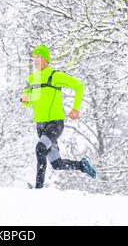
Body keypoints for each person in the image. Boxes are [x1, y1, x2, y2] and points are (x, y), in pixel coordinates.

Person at [21, 45, 96, 189]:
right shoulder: (31, 79)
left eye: (38, 57)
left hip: (55, 123)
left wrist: (75, 109)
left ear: (46, 59)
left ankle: (38, 188)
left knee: (40, 148)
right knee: (56, 163)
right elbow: (27, 101)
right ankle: (82, 165)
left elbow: (79, 86)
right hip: (41, 126)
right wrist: (24, 100)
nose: (35, 61)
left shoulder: (54, 76)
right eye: (33, 58)